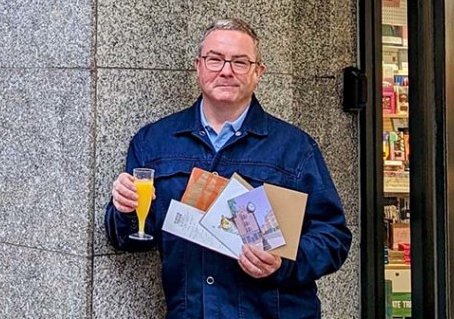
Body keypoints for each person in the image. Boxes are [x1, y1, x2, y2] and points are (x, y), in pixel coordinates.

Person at [106, 19, 351, 319]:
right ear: (198, 67)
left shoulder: (295, 148)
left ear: (258, 73)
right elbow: (128, 239)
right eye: (215, 59)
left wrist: (285, 262)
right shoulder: (154, 142)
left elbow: (334, 236)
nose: (226, 70)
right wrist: (125, 209)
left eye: (240, 61)